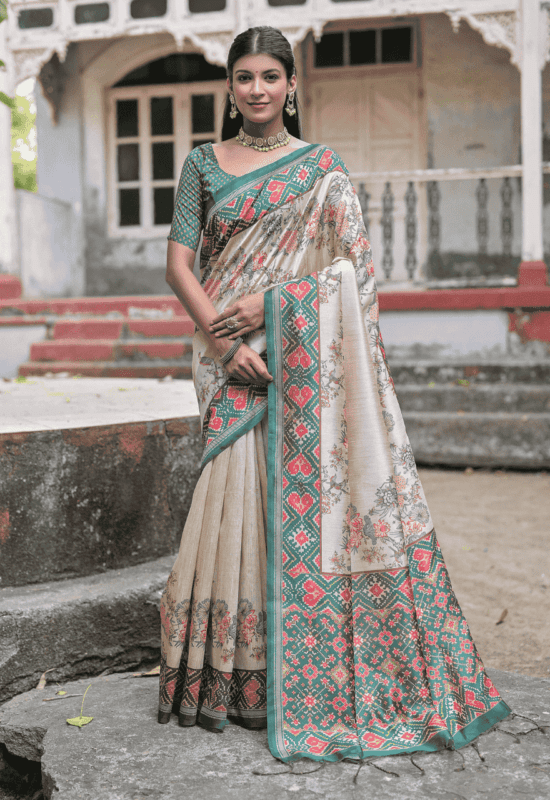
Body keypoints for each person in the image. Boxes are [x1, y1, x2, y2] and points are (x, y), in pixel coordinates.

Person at [158, 25, 510, 763]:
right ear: (230, 87)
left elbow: (354, 273)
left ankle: (295, 680)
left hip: (301, 363)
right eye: (244, 77)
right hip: (229, 363)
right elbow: (179, 267)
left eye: (270, 77)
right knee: (228, 501)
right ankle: (227, 681)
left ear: (292, 86)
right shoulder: (202, 164)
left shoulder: (323, 169)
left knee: (298, 509)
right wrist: (227, 345)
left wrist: (274, 309)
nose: (257, 89)